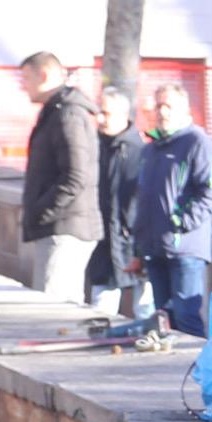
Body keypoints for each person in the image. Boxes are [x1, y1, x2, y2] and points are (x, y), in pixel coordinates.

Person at [124, 80, 212, 335]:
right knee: (164, 319)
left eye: (169, 106)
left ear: (184, 109)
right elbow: (143, 200)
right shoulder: (151, 150)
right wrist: (138, 248)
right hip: (154, 248)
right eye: (159, 106)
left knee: (187, 316)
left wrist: (179, 222)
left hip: (184, 249)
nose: (163, 112)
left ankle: (196, 359)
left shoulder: (197, 142)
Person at [16, 52, 104, 299]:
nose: (23, 86)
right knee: (61, 305)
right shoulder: (57, 112)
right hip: (62, 225)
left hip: (64, 227)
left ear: (44, 75)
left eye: (26, 78)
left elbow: (76, 176)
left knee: (52, 306)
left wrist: (43, 211)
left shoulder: (68, 115)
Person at [85, 83, 137, 318]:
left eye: (107, 113)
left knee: (145, 309)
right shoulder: (92, 147)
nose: (101, 119)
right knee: (101, 310)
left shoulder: (139, 150)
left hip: (133, 244)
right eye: (100, 113)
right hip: (102, 240)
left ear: (124, 115)